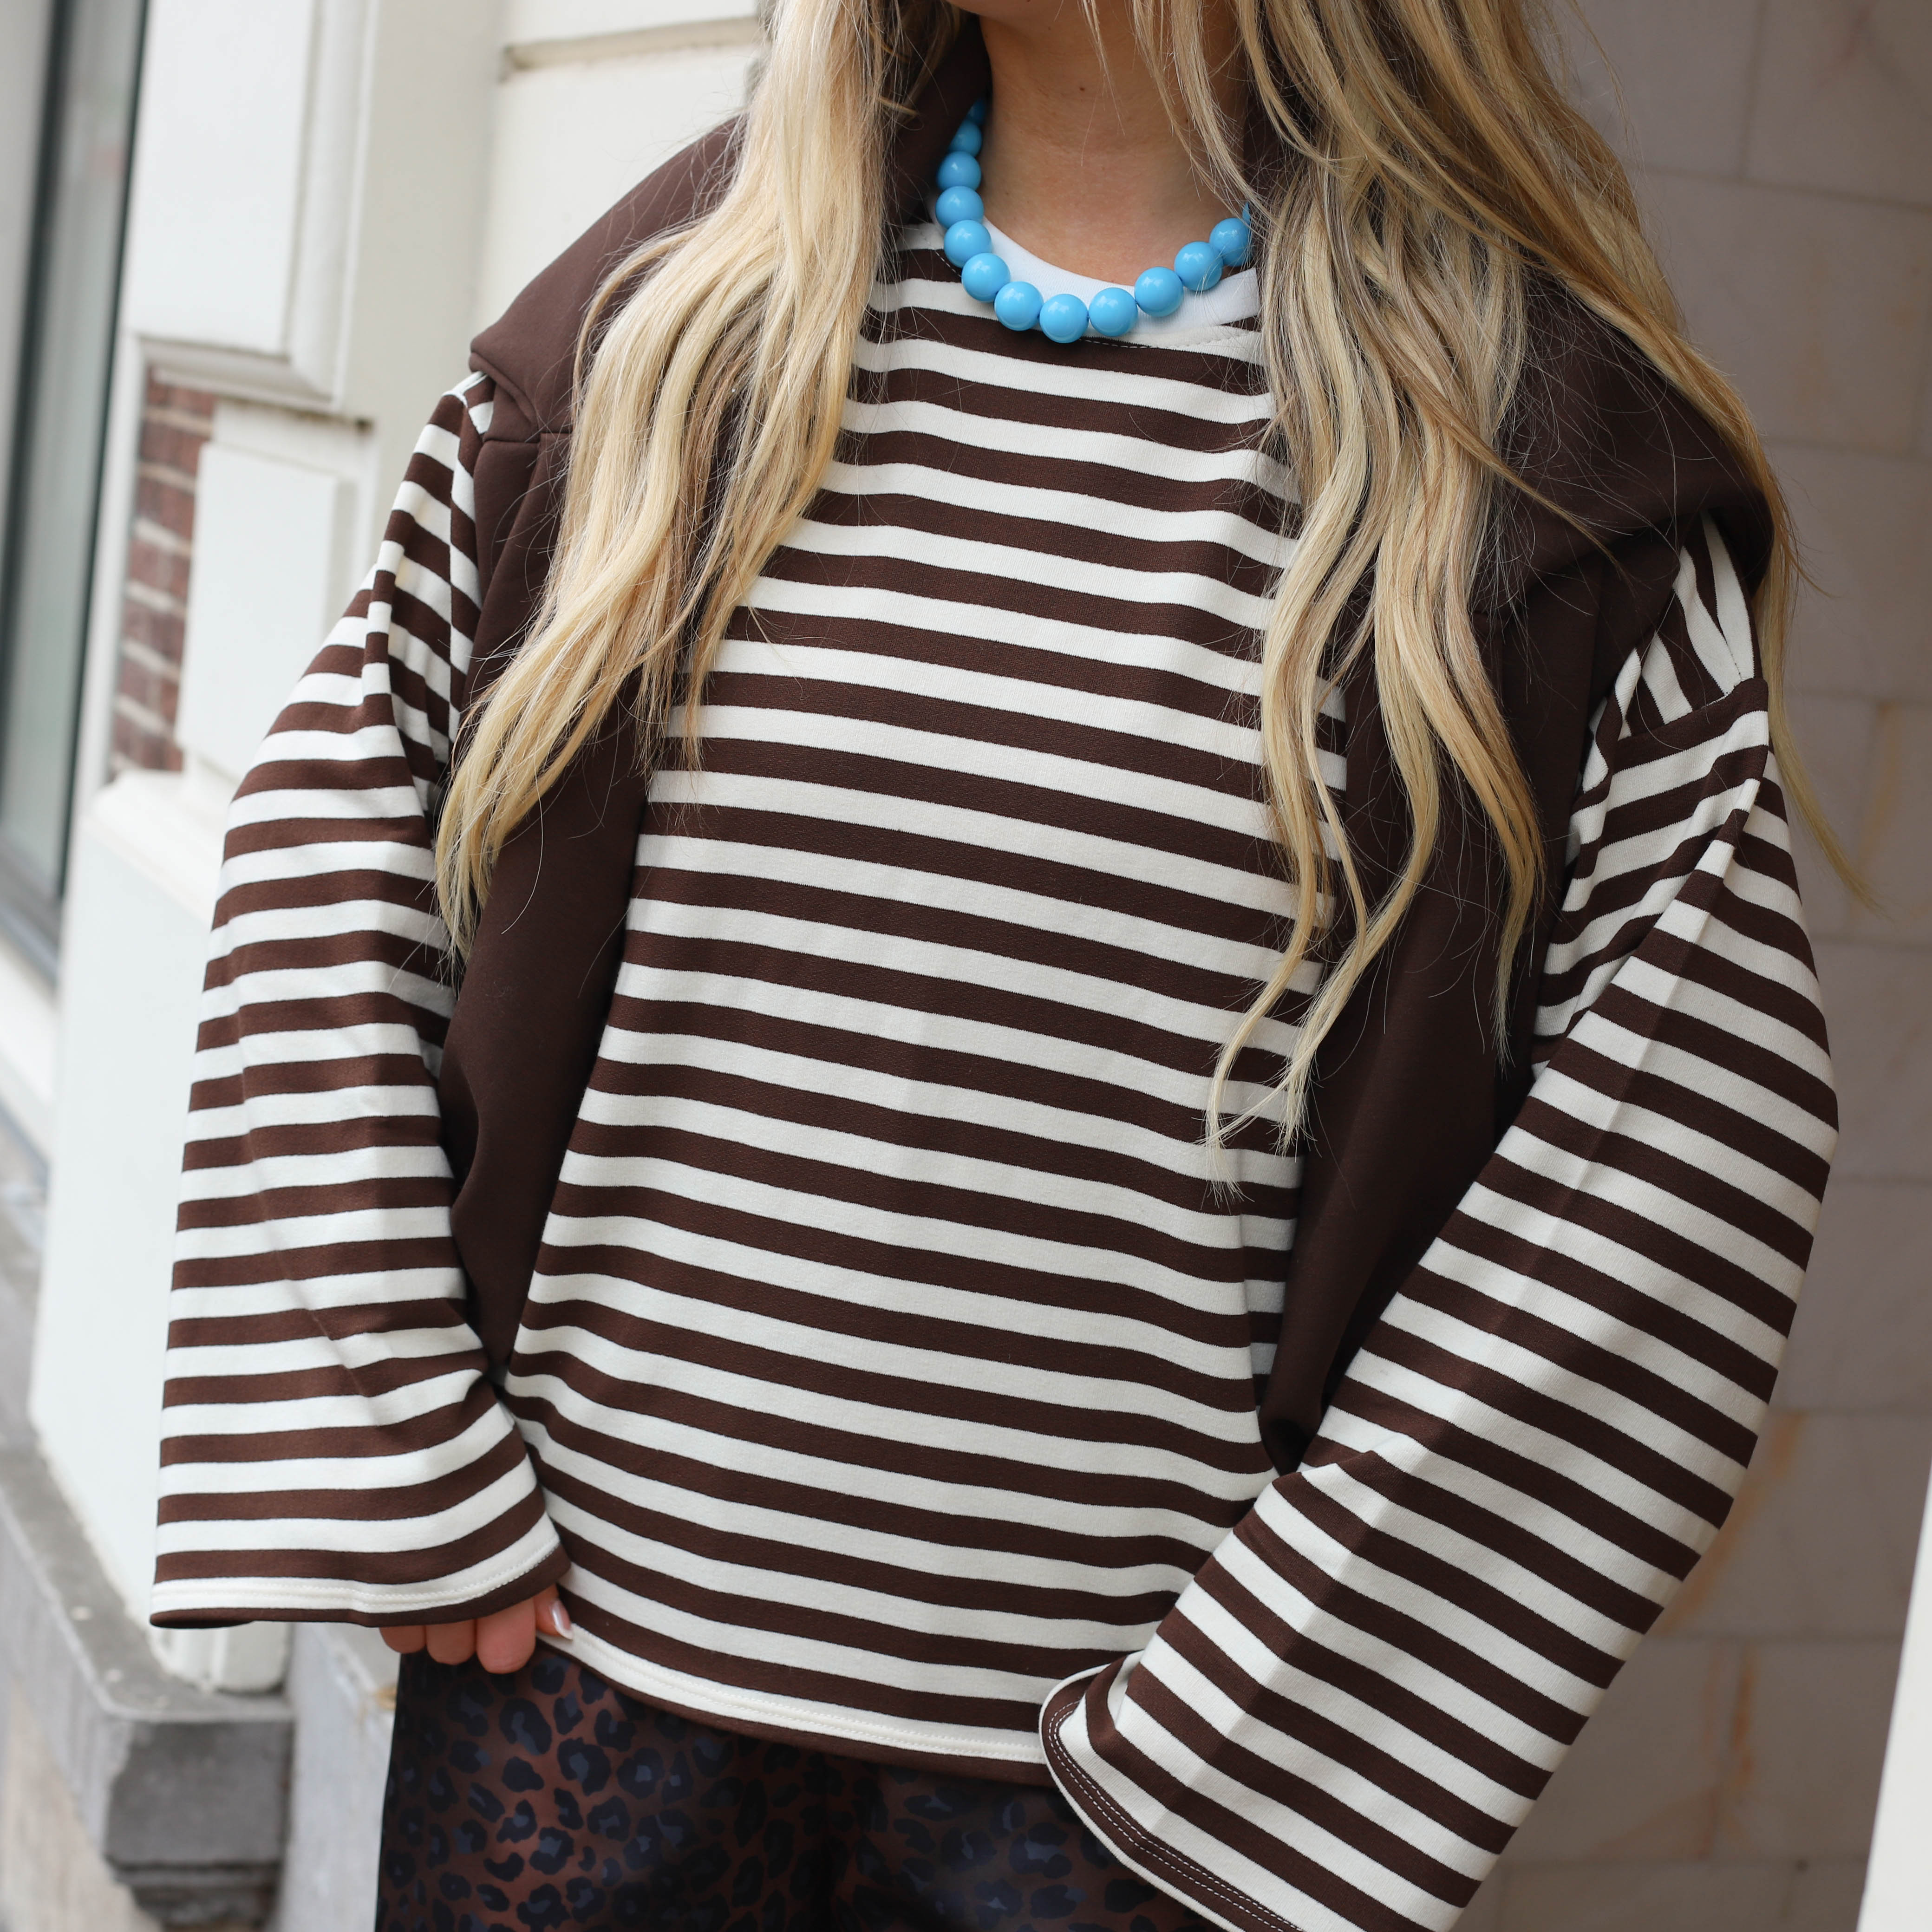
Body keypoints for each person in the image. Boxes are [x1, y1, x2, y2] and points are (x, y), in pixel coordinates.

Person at [150, 0, 1841, 1927]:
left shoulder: (1532, 477)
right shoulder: (657, 332)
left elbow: (1682, 1154)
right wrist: (400, 1440)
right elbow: (328, 840)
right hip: (579, 1712)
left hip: (1110, 1813)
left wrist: (1262, 1718)